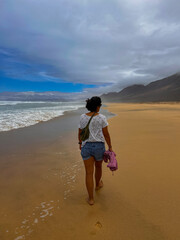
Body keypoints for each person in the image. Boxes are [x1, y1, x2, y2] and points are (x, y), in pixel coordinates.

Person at [78, 96, 113, 205]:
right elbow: (106, 134)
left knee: (88, 173)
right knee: (98, 167)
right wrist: (110, 146)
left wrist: (80, 143)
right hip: (99, 146)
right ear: (97, 107)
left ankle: (91, 199)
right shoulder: (102, 117)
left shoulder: (82, 117)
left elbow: (80, 132)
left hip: (86, 146)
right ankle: (97, 185)